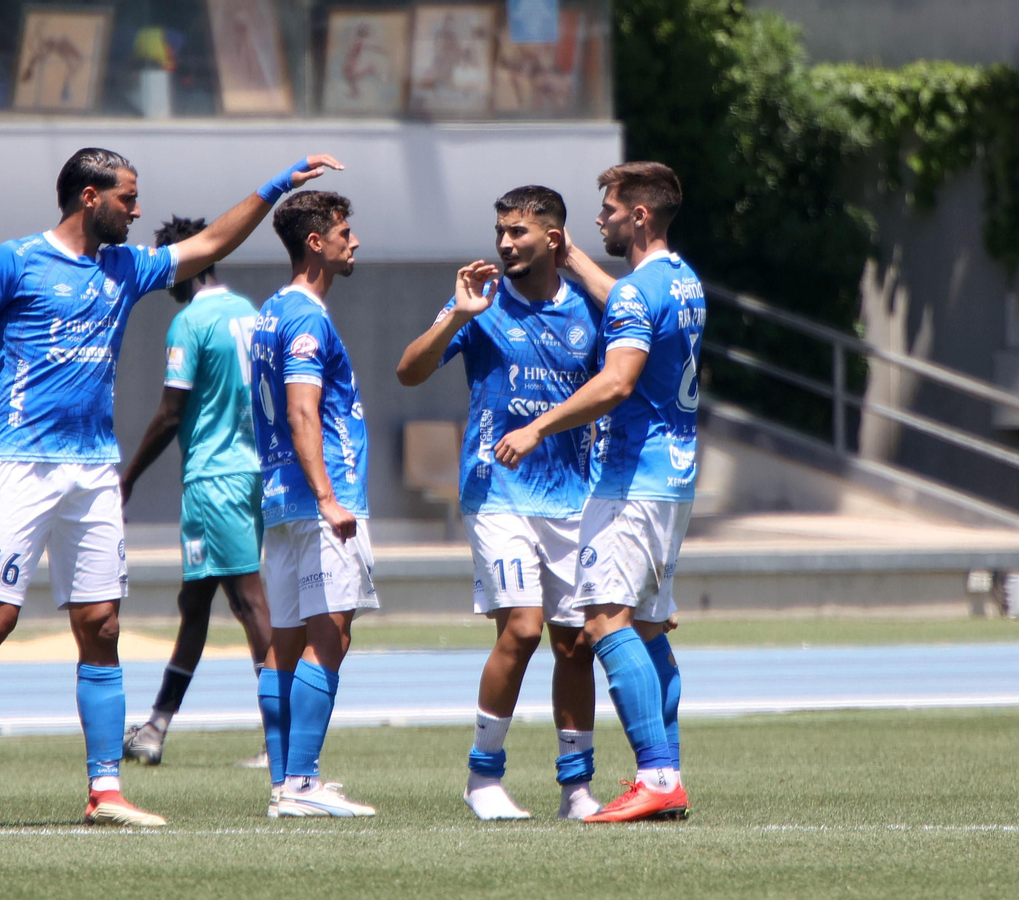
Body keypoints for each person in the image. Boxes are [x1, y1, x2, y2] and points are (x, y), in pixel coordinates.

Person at [0, 148, 343, 830]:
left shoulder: (127, 269)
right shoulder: (16, 259)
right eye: (126, 199)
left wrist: (279, 183)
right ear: (87, 198)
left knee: (102, 624)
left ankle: (104, 788)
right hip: (21, 465)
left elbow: (215, 240)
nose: (136, 211)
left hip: (94, 470)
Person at [494, 161, 701, 822]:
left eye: (608, 210)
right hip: (674, 478)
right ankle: (664, 771)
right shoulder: (684, 281)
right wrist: (576, 257)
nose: (599, 218)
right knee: (646, 628)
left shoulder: (639, 294)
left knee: (605, 618)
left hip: (630, 482)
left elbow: (615, 383)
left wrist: (537, 427)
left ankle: (658, 774)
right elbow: (629, 302)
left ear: (638, 215)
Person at [395, 186, 604, 821]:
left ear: (554, 239)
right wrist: (457, 316)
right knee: (522, 628)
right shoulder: (479, 304)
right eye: (501, 231)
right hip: (497, 494)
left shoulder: (591, 312)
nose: (506, 243)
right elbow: (408, 370)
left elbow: (617, 386)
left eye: (519, 232)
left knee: (574, 644)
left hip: (574, 496)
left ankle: (576, 789)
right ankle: (483, 777)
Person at [118, 215, 273, 769]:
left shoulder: (190, 323)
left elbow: (169, 413)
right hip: (253, 470)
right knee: (196, 602)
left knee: (248, 601)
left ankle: (279, 740)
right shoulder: (252, 316)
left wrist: (127, 477)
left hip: (213, 476)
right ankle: (156, 726)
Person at [251, 190, 376, 818]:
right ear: (315, 243)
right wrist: (329, 497)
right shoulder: (306, 317)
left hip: (280, 502)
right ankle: (302, 783)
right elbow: (302, 408)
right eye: (344, 232)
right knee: (329, 638)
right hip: (318, 500)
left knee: (285, 640)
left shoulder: (270, 312)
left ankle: (284, 783)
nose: (354, 241)